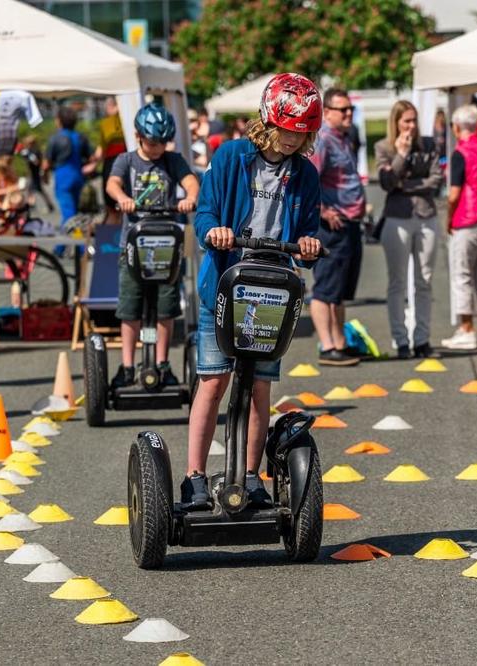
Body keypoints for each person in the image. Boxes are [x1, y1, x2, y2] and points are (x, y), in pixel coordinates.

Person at [182, 73, 323, 509]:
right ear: (268, 120)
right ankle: (194, 478)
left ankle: (250, 476)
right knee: (213, 381)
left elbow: (309, 231)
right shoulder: (231, 157)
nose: (291, 140)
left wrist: (309, 245)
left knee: (260, 387)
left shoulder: (305, 174)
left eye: (301, 133)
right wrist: (215, 232)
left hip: (271, 291)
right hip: (225, 285)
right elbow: (205, 213)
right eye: (286, 130)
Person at [105, 103, 200, 390]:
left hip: (166, 246)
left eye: (162, 143)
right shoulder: (126, 160)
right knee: (130, 308)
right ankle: (127, 366)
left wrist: (189, 198)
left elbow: (191, 182)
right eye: (152, 143)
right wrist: (123, 198)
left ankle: (162, 363)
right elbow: (112, 184)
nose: (158, 148)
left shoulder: (173, 160)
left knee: (166, 308)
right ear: (138, 136)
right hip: (133, 246)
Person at [374, 100, 444, 359]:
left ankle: (422, 339)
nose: (412, 126)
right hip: (397, 217)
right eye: (406, 121)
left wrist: (405, 186)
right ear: (396, 123)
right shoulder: (383, 147)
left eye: (414, 120)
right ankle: (400, 339)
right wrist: (401, 155)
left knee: (424, 280)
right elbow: (387, 183)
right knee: (397, 282)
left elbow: (436, 180)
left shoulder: (429, 144)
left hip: (426, 216)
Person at [308, 88, 366, 366]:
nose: (348, 113)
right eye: (343, 109)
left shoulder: (344, 138)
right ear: (327, 112)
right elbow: (307, 182)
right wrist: (323, 211)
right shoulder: (322, 141)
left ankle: (340, 342)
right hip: (331, 227)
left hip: (349, 224)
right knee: (325, 289)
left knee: (339, 291)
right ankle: (327, 345)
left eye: (350, 109)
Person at [441, 104, 477, 352]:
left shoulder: (459, 153)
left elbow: (454, 194)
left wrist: (449, 218)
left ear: (456, 128)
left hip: (466, 217)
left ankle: (466, 329)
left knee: (462, 275)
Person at [42, 106, 94, 228]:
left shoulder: (55, 138)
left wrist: (44, 175)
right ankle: (76, 235)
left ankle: (69, 236)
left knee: (67, 209)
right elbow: (91, 158)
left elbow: (46, 163)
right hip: (78, 175)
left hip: (63, 175)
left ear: (59, 121)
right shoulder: (81, 137)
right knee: (75, 207)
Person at [98, 97, 128, 224]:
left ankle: (110, 236)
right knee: (125, 207)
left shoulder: (105, 123)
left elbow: (100, 151)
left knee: (112, 210)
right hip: (128, 164)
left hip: (111, 165)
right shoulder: (130, 119)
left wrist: (92, 164)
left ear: (111, 106)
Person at [18, 135, 54, 213]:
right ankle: (33, 204)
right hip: (33, 173)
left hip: (35, 173)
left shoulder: (35, 151)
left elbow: (36, 162)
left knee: (37, 190)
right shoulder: (31, 151)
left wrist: (30, 157)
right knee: (31, 189)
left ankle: (45, 205)